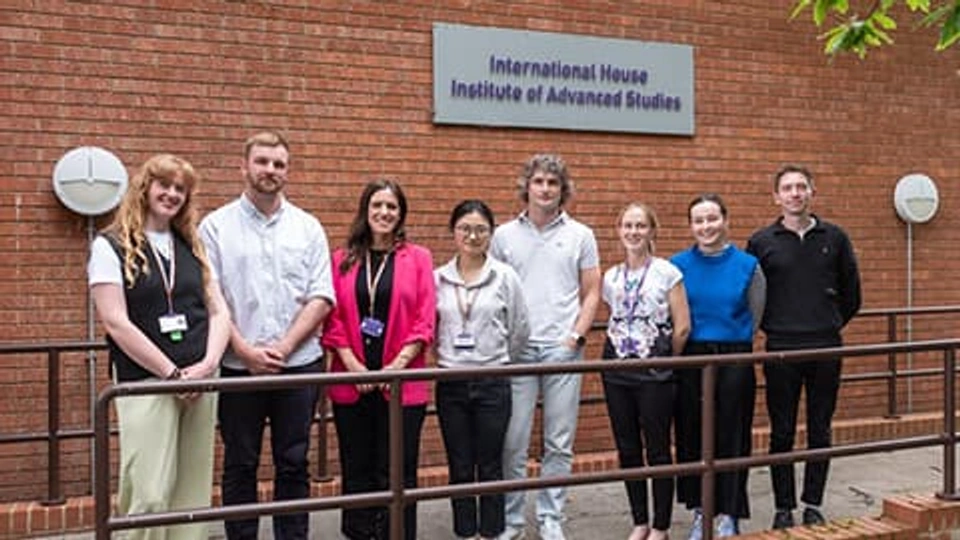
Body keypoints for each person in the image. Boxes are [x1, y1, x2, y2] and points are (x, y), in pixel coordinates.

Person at [199, 131, 336, 540]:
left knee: (294, 461)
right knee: (240, 462)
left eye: (278, 164)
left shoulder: (307, 227)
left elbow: (322, 295)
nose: (270, 171)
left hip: (298, 366)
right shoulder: (215, 227)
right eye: (262, 162)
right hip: (239, 367)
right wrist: (243, 349)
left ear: (287, 171)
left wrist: (284, 347)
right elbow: (211, 296)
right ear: (244, 166)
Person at [88, 153, 230, 540]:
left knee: (191, 492)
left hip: (201, 379)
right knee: (149, 492)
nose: (171, 194)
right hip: (147, 380)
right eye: (164, 185)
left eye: (180, 189)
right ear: (145, 187)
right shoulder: (110, 245)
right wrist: (171, 374)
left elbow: (219, 312)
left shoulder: (192, 245)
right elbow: (115, 321)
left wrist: (206, 365)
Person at [491, 154, 601, 540]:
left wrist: (575, 336)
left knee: (559, 440)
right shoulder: (503, 236)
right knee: (514, 439)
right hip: (518, 351)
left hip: (563, 349)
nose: (545, 189)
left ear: (562, 189)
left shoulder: (581, 235)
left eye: (553, 183)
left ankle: (552, 517)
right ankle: (513, 520)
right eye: (538, 181)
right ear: (527, 186)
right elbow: (494, 292)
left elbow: (592, 292)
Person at [746, 165, 861, 529]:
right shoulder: (762, 242)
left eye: (801, 187)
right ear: (776, 196)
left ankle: (813, 502)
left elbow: (852, 294)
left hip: (825, 347)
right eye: (787, 188)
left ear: (812, 192)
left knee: (820, 429)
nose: (795, 193)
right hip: (781, 347)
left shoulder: (835, 238)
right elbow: (753, 296)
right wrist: (775, 327)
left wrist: (826, 323)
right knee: (781, 430)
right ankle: (783, 507)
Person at [322, 179, 436, 540]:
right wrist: (354, 366)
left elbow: (425, 317)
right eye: (377, 206)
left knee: (398, 471)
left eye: (392, 207)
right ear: (365, 211)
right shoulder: (342, 260)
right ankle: (358, 534)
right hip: (350, 381)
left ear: (401, 214)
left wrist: (395, 368)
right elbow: (333, 317)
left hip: (401, 383)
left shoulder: (418, 258)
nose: (384, 213)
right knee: (357, 468)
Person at [671, 193, 766, 539]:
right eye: (699, 220)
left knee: (732, 435)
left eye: (712, 218)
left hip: (733, 358)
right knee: (694, 434)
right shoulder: (677, 265)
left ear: (725, 220)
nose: (706, 226)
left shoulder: (748, 265)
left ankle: (730, 514)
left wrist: (732, 339)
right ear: (691, 225)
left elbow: (756, 315)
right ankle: (702, 511)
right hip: (692, 358)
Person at [435, 200, 530, 540]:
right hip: (451, 382)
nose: (472, 236)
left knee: (491, 463)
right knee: (459, 464)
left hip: (493, 381)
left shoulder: (505, 276)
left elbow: (520, 328)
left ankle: (491, 532)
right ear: (453, 232)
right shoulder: (438, 279)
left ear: (490, 234)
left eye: (480, 230)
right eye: (465, 228)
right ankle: (464, 532)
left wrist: (498, 359)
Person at [600, 202, 690, 540]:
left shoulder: (667, 272)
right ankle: (639, 520)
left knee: (657, 449)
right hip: (617, 370)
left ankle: (661, 525)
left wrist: (664, 360)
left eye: (640, 226)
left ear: (652, 231)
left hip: (655, 372)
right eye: (628, 225)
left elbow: (682, 326)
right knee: (627, 448)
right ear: (619, 230)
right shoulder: (611, 276)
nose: (634, 232)